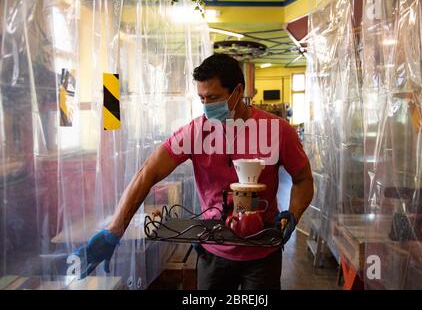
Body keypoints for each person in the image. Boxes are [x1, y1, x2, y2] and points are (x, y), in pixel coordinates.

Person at [72, 54, 314, 290]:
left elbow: (303, 179)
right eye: (202, 99)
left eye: (214, 98)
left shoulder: (278, 131)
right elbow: (148, 173)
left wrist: (292, 214)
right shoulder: (196, 132)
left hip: (263, 252)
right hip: (213, 250)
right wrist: (115, 230)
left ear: (238, 91)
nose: (207, 107)